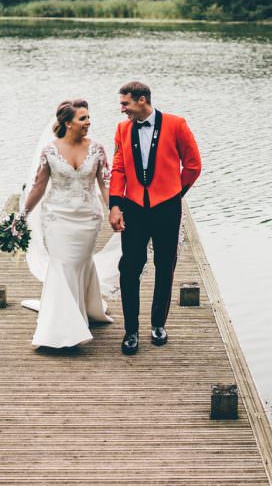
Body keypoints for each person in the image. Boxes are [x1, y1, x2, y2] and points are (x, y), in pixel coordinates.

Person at [109, 81, 201, 355]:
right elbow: (118, 168)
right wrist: (115, 205)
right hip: (134, 208)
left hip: (167, 208)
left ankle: (158, 324)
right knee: (129, 267)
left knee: (165, 266)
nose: (122, 109)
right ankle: (131, 331)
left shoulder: (177, 124)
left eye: (125, 103)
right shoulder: (122, 129)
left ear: (141, 100)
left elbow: (194, 164)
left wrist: (175, 192)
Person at [18, 99, 118, 348]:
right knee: (62, 265)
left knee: (80, 263)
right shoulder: (50, 151)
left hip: (88, 219)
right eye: (82, 118)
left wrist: (115, 210)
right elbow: (38, 187)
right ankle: (62, 327)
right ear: (67, 123)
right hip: (57, 219)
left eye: (88, 117)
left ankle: (84, 308)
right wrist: (22, 215)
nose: (88, 122)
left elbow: (104, 186)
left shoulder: (97, 150)